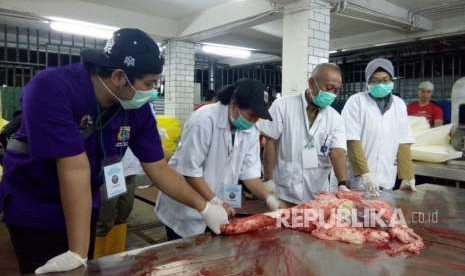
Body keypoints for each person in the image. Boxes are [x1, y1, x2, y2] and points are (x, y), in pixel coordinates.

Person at [0, 28, 228, 275]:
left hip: (84, 203)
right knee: (48, 266)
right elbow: (74, 168)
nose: (152, 91)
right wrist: (78, 251)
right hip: (36, 206)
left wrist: (204, 207)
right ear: (120, 77)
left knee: (80, 265)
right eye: (150, 83)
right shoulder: (52, 88)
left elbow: (158, 166)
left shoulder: (134, 106)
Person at [156, 79, 282, 240]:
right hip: (186, 208)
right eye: (251, 115)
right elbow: (190, 172)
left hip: (219, 206)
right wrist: (214, 201)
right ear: (234, 104)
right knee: (184, 257)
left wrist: (269, 198)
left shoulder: (250, 130)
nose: (253, 121)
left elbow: (249, 175)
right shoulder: (203, 120)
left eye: (257, 118)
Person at [257, 63, 349, 205]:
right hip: (284, 191)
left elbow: (338, 151)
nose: (332, 95)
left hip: (318, 195)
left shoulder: (335, 118)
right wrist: (268, 179)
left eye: (336, 91)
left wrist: (343, 183)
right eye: (329, 88)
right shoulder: (283, 106)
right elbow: (270, 142)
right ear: (312, 83)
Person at [341, 58, 416, 196]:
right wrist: (365, 174)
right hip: (358, 181)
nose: (381, 84)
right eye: (374, 80)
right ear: (367, 82)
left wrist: (407, 175)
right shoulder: (356, 102)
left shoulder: (399, 105)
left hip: (386, 180)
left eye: (385, 80)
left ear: (392, 80)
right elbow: (351, 140)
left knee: (383, 214)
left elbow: (404, 141)